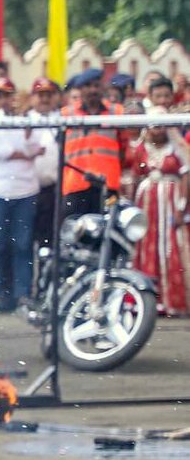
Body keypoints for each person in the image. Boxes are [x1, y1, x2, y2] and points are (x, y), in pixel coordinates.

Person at [0, 79, 42, 314]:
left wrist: (23, 147)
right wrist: (22, 153)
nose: (4, 99)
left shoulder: (29, 119)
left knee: (23, 246)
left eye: (8, 94)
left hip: (26, 190)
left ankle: (23, 294)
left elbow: (37, 148)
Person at [129, 105, 190, 316]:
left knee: (170, 246)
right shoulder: (141, 148)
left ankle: (171, 300)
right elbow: (135, 177)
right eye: (154, 125)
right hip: (146, 203)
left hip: (170, 203)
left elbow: (186, 175)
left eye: (162, 125)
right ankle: (147, 302)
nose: (158, 129)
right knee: (147, 247)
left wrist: (182, 206)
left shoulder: (177, 148)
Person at [62, 68, 126, 218]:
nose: (93, 90)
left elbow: (124, 147)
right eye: (88, 86)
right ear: (80, 89)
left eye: (96, 85)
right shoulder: (66, 114)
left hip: (107, 185)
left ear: (103, 87)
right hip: (75, 185)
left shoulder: (116, 112)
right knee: (74, 234)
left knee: (107, 234)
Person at [27, 78, 65, 257]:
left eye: (48, 95)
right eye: (40, 95)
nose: (44, 99)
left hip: (53, 189)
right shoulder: (25, 120)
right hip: (27, 190)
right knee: (24, 242)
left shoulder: (63, 120)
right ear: (32, 97)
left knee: (49, 242)